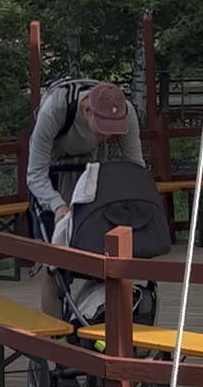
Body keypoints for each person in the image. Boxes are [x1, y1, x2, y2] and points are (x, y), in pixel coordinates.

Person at [26, 78, 144, 325]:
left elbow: (135, 167)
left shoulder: (126, 110)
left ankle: (99, 324)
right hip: (53, 179)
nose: (109, 134)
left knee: (102, 256)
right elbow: (34, 173)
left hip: (91, 175)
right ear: (87, 110)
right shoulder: (56, 110)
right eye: (103, 126)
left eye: (114, 128)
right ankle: (55, 337)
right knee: (54, 266)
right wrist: (57, 205)